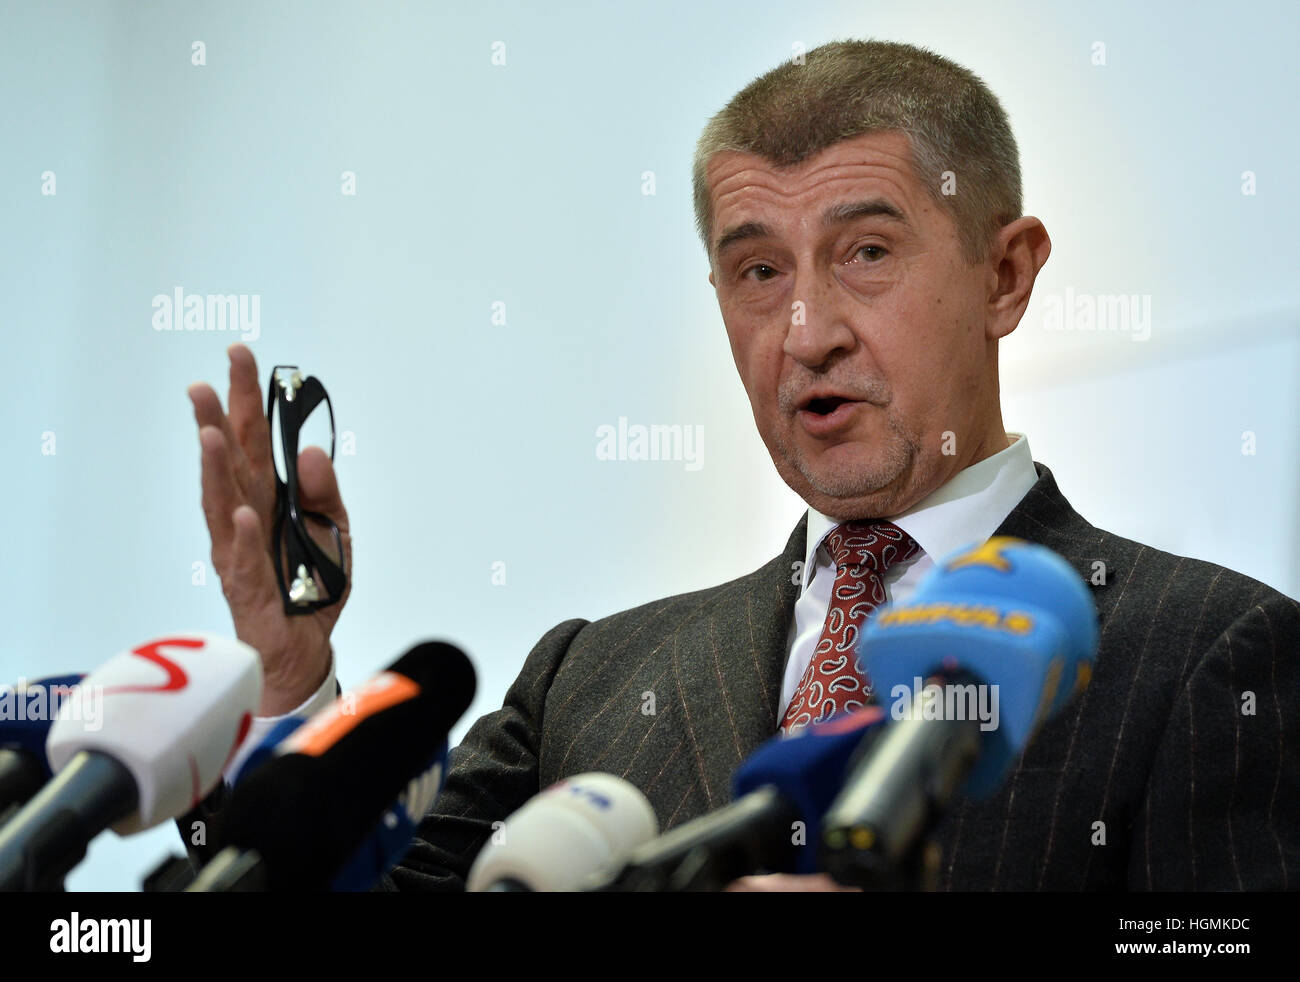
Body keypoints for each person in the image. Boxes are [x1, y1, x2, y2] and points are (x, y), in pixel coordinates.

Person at [185, 39, 1300, 890]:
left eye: (866, 252)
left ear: (1004, 274)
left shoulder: (1204, 645)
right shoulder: (591, 675)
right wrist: (290, 684)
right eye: (759, 270)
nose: (806, 329)